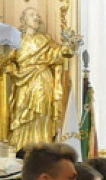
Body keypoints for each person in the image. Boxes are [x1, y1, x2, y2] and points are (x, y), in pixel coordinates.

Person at [7, 9, 70, 152]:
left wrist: (69, 47)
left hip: (42, 79)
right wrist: (14, 71)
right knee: (21, 112)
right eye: (31, 15)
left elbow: (57, 55)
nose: (36, 17)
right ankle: (21, 147)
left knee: (42, 113)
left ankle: (42, 147)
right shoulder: (16, 40)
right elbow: (7, 60)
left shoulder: (45, 40)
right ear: (23, 20)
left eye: (37, 15)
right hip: (22, 81)